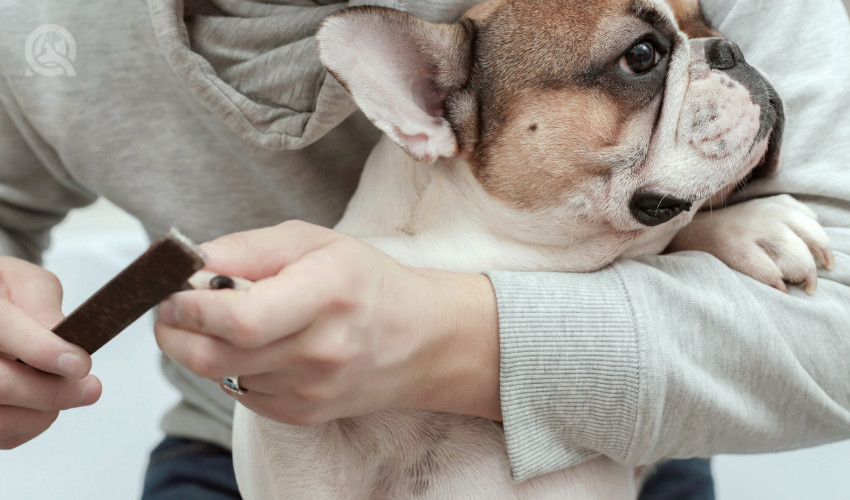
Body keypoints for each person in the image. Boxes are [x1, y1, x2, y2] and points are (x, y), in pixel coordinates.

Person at [0, 0, 848, 499]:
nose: (715, 67)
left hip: (625, 417)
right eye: (643, 58)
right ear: (421, 106)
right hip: (230, 450)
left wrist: (447, 337)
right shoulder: (43, 27)